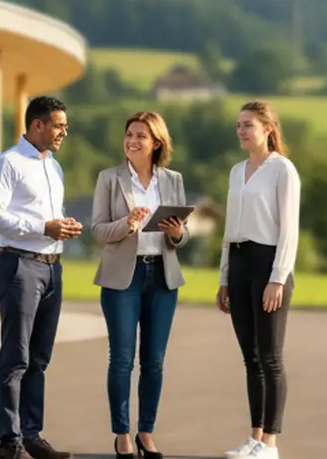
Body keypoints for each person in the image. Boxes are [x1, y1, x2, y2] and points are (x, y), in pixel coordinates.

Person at [0, 95, 81, 459]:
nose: (63, 133)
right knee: (16, 357)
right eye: (58, 125)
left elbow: (48, 217)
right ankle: (9, 442)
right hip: (19, 266)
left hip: (52, 267)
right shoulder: (7, 163)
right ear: (36, 124)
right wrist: (44, 226)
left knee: (39, 359)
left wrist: (62, 226)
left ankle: (31, 435)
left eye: (65, 127)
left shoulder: (54, 167)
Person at [89, 111, 189, 459]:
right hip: (122, 279)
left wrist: (178, 233)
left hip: (162, 277)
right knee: (121, 361)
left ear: (156, 142)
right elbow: (98, 231)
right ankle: (122, 434)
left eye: (141, 136)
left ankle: (146, 431)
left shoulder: (173, 180)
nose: (132, 140)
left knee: (155, 362)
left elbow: (182, 233)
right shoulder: (109, 178)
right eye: (129, 134)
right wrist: (126, 225)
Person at [214, 100, 301, 459]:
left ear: (267, 128)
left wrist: (277, 278)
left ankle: (271, 444)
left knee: (270, 357)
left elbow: (289, 229)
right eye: (238, 125)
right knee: (249, 357)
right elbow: (229, 228)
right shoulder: (236, 171)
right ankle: (255, 437)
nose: (241, 130)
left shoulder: (283, 170)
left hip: (268, 264)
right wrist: (223, 278)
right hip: (239, 263)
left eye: (248, 124)